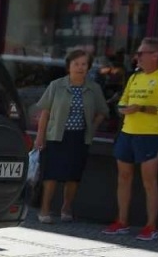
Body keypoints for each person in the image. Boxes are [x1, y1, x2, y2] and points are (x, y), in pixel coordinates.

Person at [32, 49, 108, 223]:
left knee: (73, 176)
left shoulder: (93, 88)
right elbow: (45, 112)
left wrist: (93, 127)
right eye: (76, 64)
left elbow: (103, 111)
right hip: (56, 136)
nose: (80, 68)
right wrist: (39, 137)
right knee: (50, 175)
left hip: (79, 137)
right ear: (69, 66)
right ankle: (44, 210)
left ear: (88, 67)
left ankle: (66, 208)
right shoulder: (56, 85)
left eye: (84, 64)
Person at [105, 37, 158, 241]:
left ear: (155, 55)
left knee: (149, 182)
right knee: (123, 178)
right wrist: (123, 109)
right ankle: (121, 221)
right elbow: (123, 102)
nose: (137, 57)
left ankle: (151, 226)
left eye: (141, 53)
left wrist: (142, 108)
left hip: (150, 136)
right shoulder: (134, 77)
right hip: (127, 133)